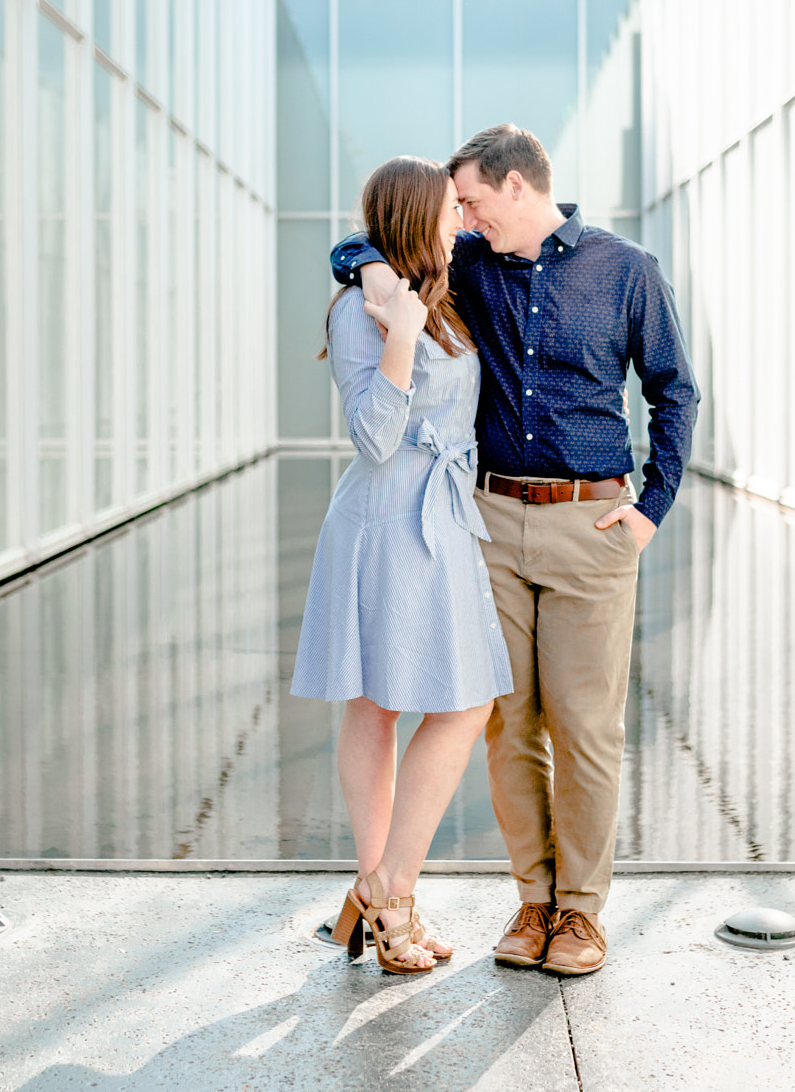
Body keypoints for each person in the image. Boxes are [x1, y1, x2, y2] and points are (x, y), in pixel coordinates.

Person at [332, 124, 698, 976]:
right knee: (504, 726)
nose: (461, 217)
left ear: (517, 187)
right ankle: (532, 904)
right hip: (489, 520)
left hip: (593, 522)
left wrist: (651, 506)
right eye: (455, 207)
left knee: (587, 726)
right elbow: (370, 239)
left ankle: (581, 912)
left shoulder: (625, 269)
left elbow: (674, 389)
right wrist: (373, 263)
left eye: (472, 200)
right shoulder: (474, 264)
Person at [291, 156, 515, 976]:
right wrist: (401, 337)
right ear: (419, 216)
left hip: (443, 519)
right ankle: (395, 896)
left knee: (459, 700)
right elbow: (375, 436)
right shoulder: (367, 311)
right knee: (384, 702)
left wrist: (411, 307)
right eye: (451, 209)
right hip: (385, 522)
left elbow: (353, 243)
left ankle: (379, 890)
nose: (463, 219)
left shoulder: (432, 293)